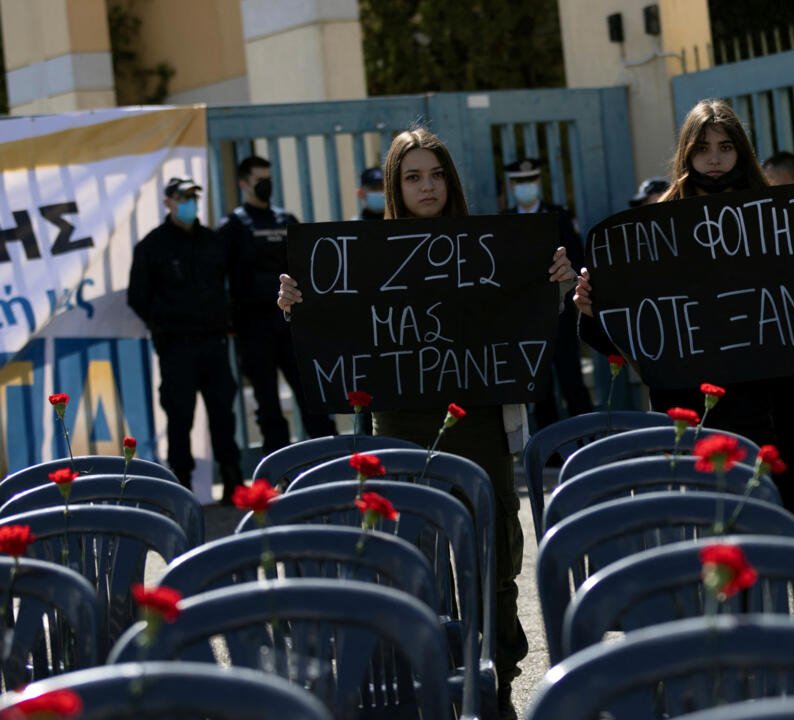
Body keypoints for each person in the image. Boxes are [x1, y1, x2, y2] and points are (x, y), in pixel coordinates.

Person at [277, 127, 575, 719]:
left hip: (479, 428)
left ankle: (495, 689)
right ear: (395, 185)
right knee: (412, 559)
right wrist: (298, 306)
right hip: (399, 429)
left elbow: (525, 320)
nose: (427, 186)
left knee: (491, 562)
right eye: (412, 176)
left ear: (451, 181)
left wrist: (555, 287)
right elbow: (337, 331)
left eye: (435, 174)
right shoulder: (364, 256)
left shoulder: (492, 245)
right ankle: (426, 691)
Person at [573, 99, 794, 544]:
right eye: (703, 148)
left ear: (742, 153)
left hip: (786, 409)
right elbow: (631, 332)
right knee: (725, 542)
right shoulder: (656, 229)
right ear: (686, 154)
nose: (714, 159)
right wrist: (593, 309)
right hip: (706, 411)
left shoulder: (782, 217)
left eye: (726, 147)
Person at [127, 178, 243, 497]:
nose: (190, 202)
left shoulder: (212, 241)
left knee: (223, 413)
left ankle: (233, 479)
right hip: (177, 347)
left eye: (193, 196)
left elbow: (230, 283)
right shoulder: (153, 246)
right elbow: (138, 296)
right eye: (183, 197)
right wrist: (164, 324)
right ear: (168, 202)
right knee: (180, 418)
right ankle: (182, 488)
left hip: (214, 343)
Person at [217, 156, 336, 456]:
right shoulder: (232, 227)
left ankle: (330, 460)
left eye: (269, 177)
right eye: (260, 179)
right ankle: (279, 469)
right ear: (244, 183)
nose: (266, 184)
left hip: (290, 324)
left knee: (312, 399)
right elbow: (218, 277)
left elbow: (307, 268)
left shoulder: (286, 220)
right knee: (268, 404)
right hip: (253, 328)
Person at [502, 158, 593, 429]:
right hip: (526, 318)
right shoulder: (505, 221)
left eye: (529, 180)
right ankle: (549, 455)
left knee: (571, 380)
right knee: (540, 386)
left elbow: (576, 258)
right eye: (519, 182)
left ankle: (587, 438)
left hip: (560, 311)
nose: (525, 187)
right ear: (512, 186)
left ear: (538, 182)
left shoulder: (559, 216)